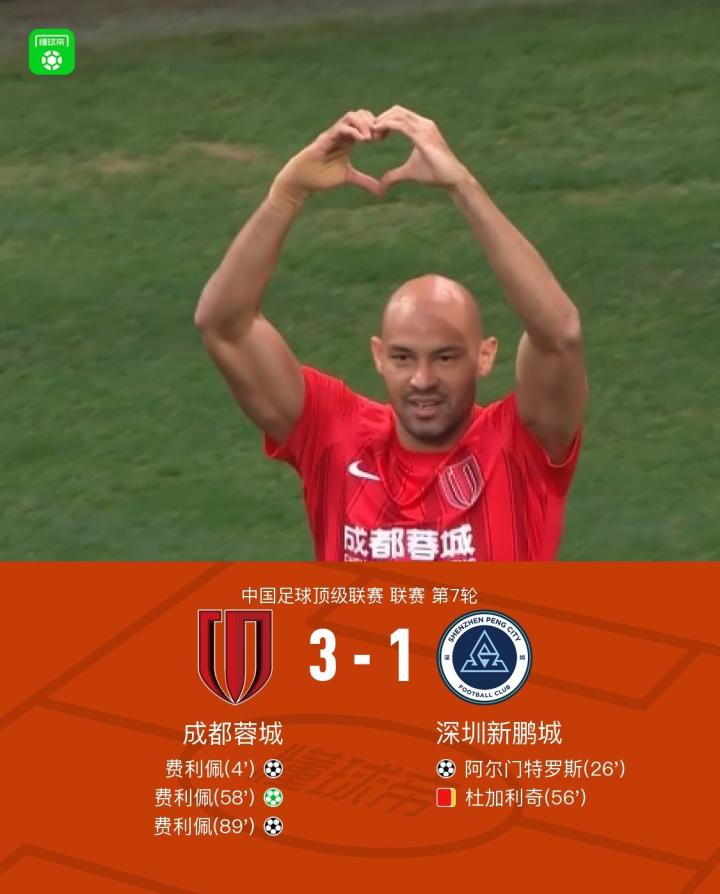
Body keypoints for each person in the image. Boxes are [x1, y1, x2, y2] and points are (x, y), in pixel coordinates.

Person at [195, 107, 587, 561]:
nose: (423, 379)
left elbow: (560, 334)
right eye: (403, 357)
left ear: (484, 355)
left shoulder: (520, 450)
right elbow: (224, 326)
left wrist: (463, 187)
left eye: (445, 357)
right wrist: (285, 196)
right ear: (378, 356)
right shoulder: (334, 436)